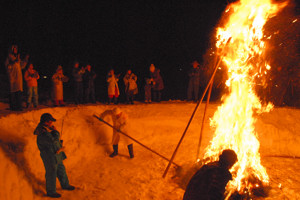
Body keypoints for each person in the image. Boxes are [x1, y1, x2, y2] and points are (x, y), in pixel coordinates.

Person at [34, 113, 75, 198]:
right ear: (46, 122)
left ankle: (65, 185)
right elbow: (53, 140)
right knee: (51, 172)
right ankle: (51, 191)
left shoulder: (47, 128)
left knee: (61, 169)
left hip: (56, 154)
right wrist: (56, 132)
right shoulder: (42, 131)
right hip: (49, 156)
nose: (52, 123)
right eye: (50, 121)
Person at [4, 45, 29, 111]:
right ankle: (13, 107)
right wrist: (13, 62)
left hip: (18, 78)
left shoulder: (17, 58)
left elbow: (21, 66)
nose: (16, 50)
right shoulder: (9, 57)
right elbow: (7, 65)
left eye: (16, 49)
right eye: (14, 49)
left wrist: (25, 60)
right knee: (13, 93)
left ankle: (19, 106)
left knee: (18, 92)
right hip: (12, 77)